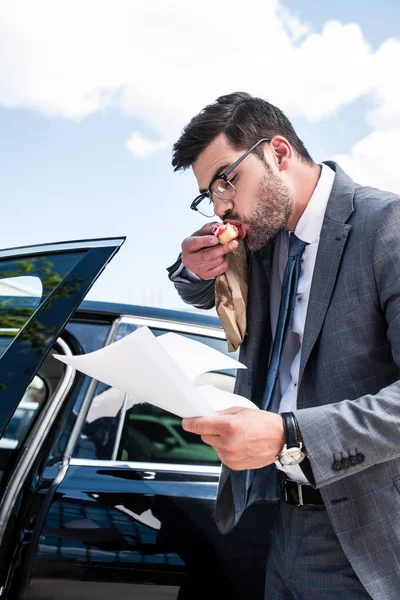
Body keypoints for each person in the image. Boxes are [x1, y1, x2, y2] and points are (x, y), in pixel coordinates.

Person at [166, 91, 400, 600]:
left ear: (277, 151)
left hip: (368, 533)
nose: (221, 204)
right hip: (275, 519)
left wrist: (289, 435)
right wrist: (193, 265)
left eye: (227, 178)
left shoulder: (388, 227)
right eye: (209, 193)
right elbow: (202, 290)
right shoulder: (260, 239)